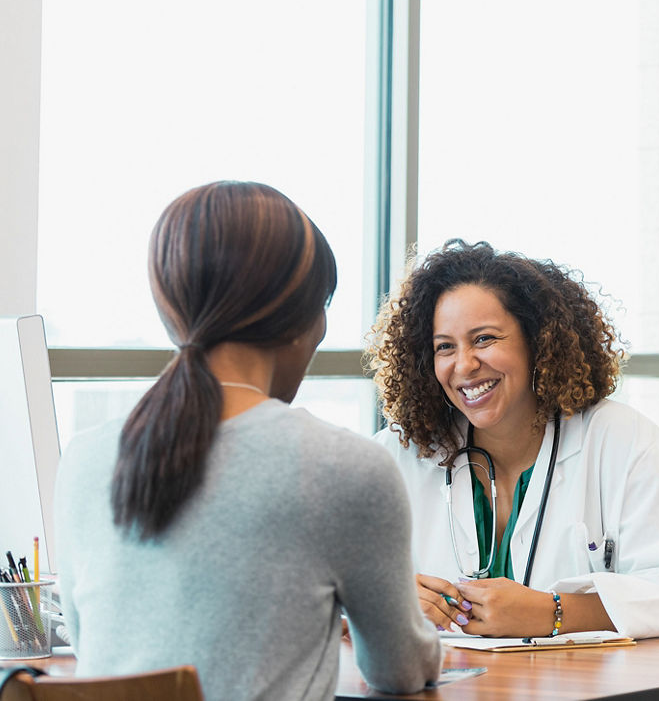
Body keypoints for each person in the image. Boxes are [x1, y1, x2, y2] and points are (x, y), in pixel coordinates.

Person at [55, 181, 440, 701]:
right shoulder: (342, 466)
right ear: (304, 319)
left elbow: (94, 652)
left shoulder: (85, 458)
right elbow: (401, 671)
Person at [366, 239, 659, 639]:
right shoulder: (395, 455)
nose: (465, 365)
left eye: (484, 339)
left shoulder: (626, 444)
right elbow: (330, 590)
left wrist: (552, 613)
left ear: (537, 340)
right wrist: (384, 600)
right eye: (445, 347)